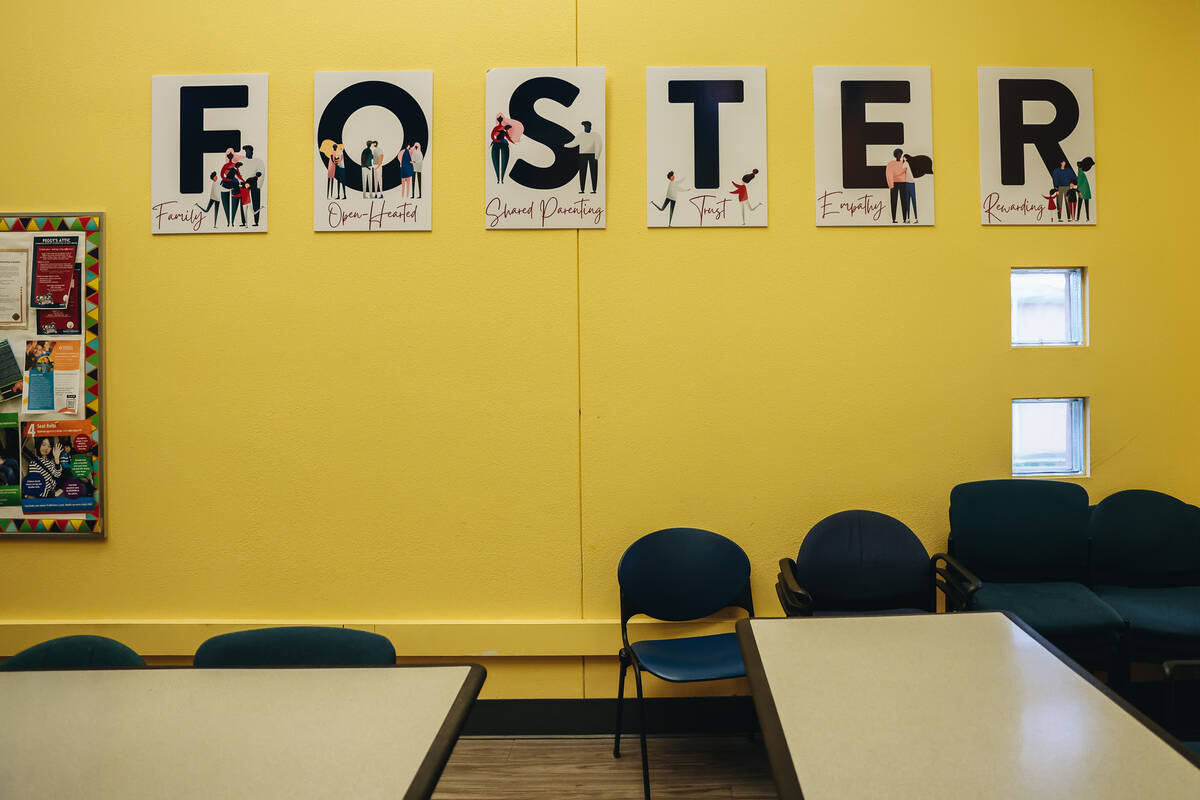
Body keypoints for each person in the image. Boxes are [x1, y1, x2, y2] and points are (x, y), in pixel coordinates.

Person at [565, 120, 602, 193]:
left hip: (593, 155)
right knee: (582, 173)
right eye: (585, 126)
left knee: (594, 173)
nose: (586, 128)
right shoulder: (580, 135)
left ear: (590, 127)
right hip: (582, 155)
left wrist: (597, 156)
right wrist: (565, 145)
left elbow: (599, 145)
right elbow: (573, 143)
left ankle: (594, 190)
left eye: (587, 126)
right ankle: (582, 190)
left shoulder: (596, 135)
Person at [239, 144, 266, 226]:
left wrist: (258, 185)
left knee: (256, 201)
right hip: (244, 183)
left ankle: (256, 221)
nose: (247, 153)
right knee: (243, 203)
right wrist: (241, 183)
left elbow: (261, 172)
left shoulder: (258, 161)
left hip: (254, 182)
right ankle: (244, 222)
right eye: (246, 151)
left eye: (248, 151)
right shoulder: (242, 161)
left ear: (252, 152)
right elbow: (239, 172)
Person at [218, 149, 244, 227]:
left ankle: (231, 222)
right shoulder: (229, 166)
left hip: (229, 184)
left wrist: (242, 180)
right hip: (228, 184)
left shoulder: (232, 166)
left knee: (233, 202)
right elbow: (223, 175)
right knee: (229, 203)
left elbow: (238, 175)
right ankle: (230, 222)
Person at [884, 148, 910, 223]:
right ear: (895, 155)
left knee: (904, 201)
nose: (899, 155)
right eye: (898, 154)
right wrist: (891, 185)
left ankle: (905, 219)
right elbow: (888, 174)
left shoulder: (904, 163)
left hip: (903, 184)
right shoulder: (891, 163)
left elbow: (908, 173)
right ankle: (893, 219)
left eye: (900, 154)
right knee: (893, 201)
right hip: (894, 184)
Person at [490, 114, 515, 184]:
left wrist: (505, 131)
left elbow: (493, 136)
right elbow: (493, 136)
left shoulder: (502, 128)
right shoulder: (499, 128)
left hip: (500, 143)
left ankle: (500, 179)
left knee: (502, 161)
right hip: (499, 143)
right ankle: (499, 178)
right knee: (499, 161)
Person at [1075, 157, 1094, 221]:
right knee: (1084, 205)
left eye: (1078, 165)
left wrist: (1077, 188)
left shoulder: (1080, 172)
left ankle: (1079, 218)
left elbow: (1080, 181)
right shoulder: (1081, 172)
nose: (1077, 166)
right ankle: (1086, 218)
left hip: (1083, 190)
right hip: (1085, 190)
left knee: (1081, 205)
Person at [902, 154, 919, 224]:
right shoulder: (906, 164)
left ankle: (913, 218)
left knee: (910, 201)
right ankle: (911, 219)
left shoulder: (905, 163)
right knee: (910, 201)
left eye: (904, 157)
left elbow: (902, 172)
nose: (903, 158)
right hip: (909, 183)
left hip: (909, 183)